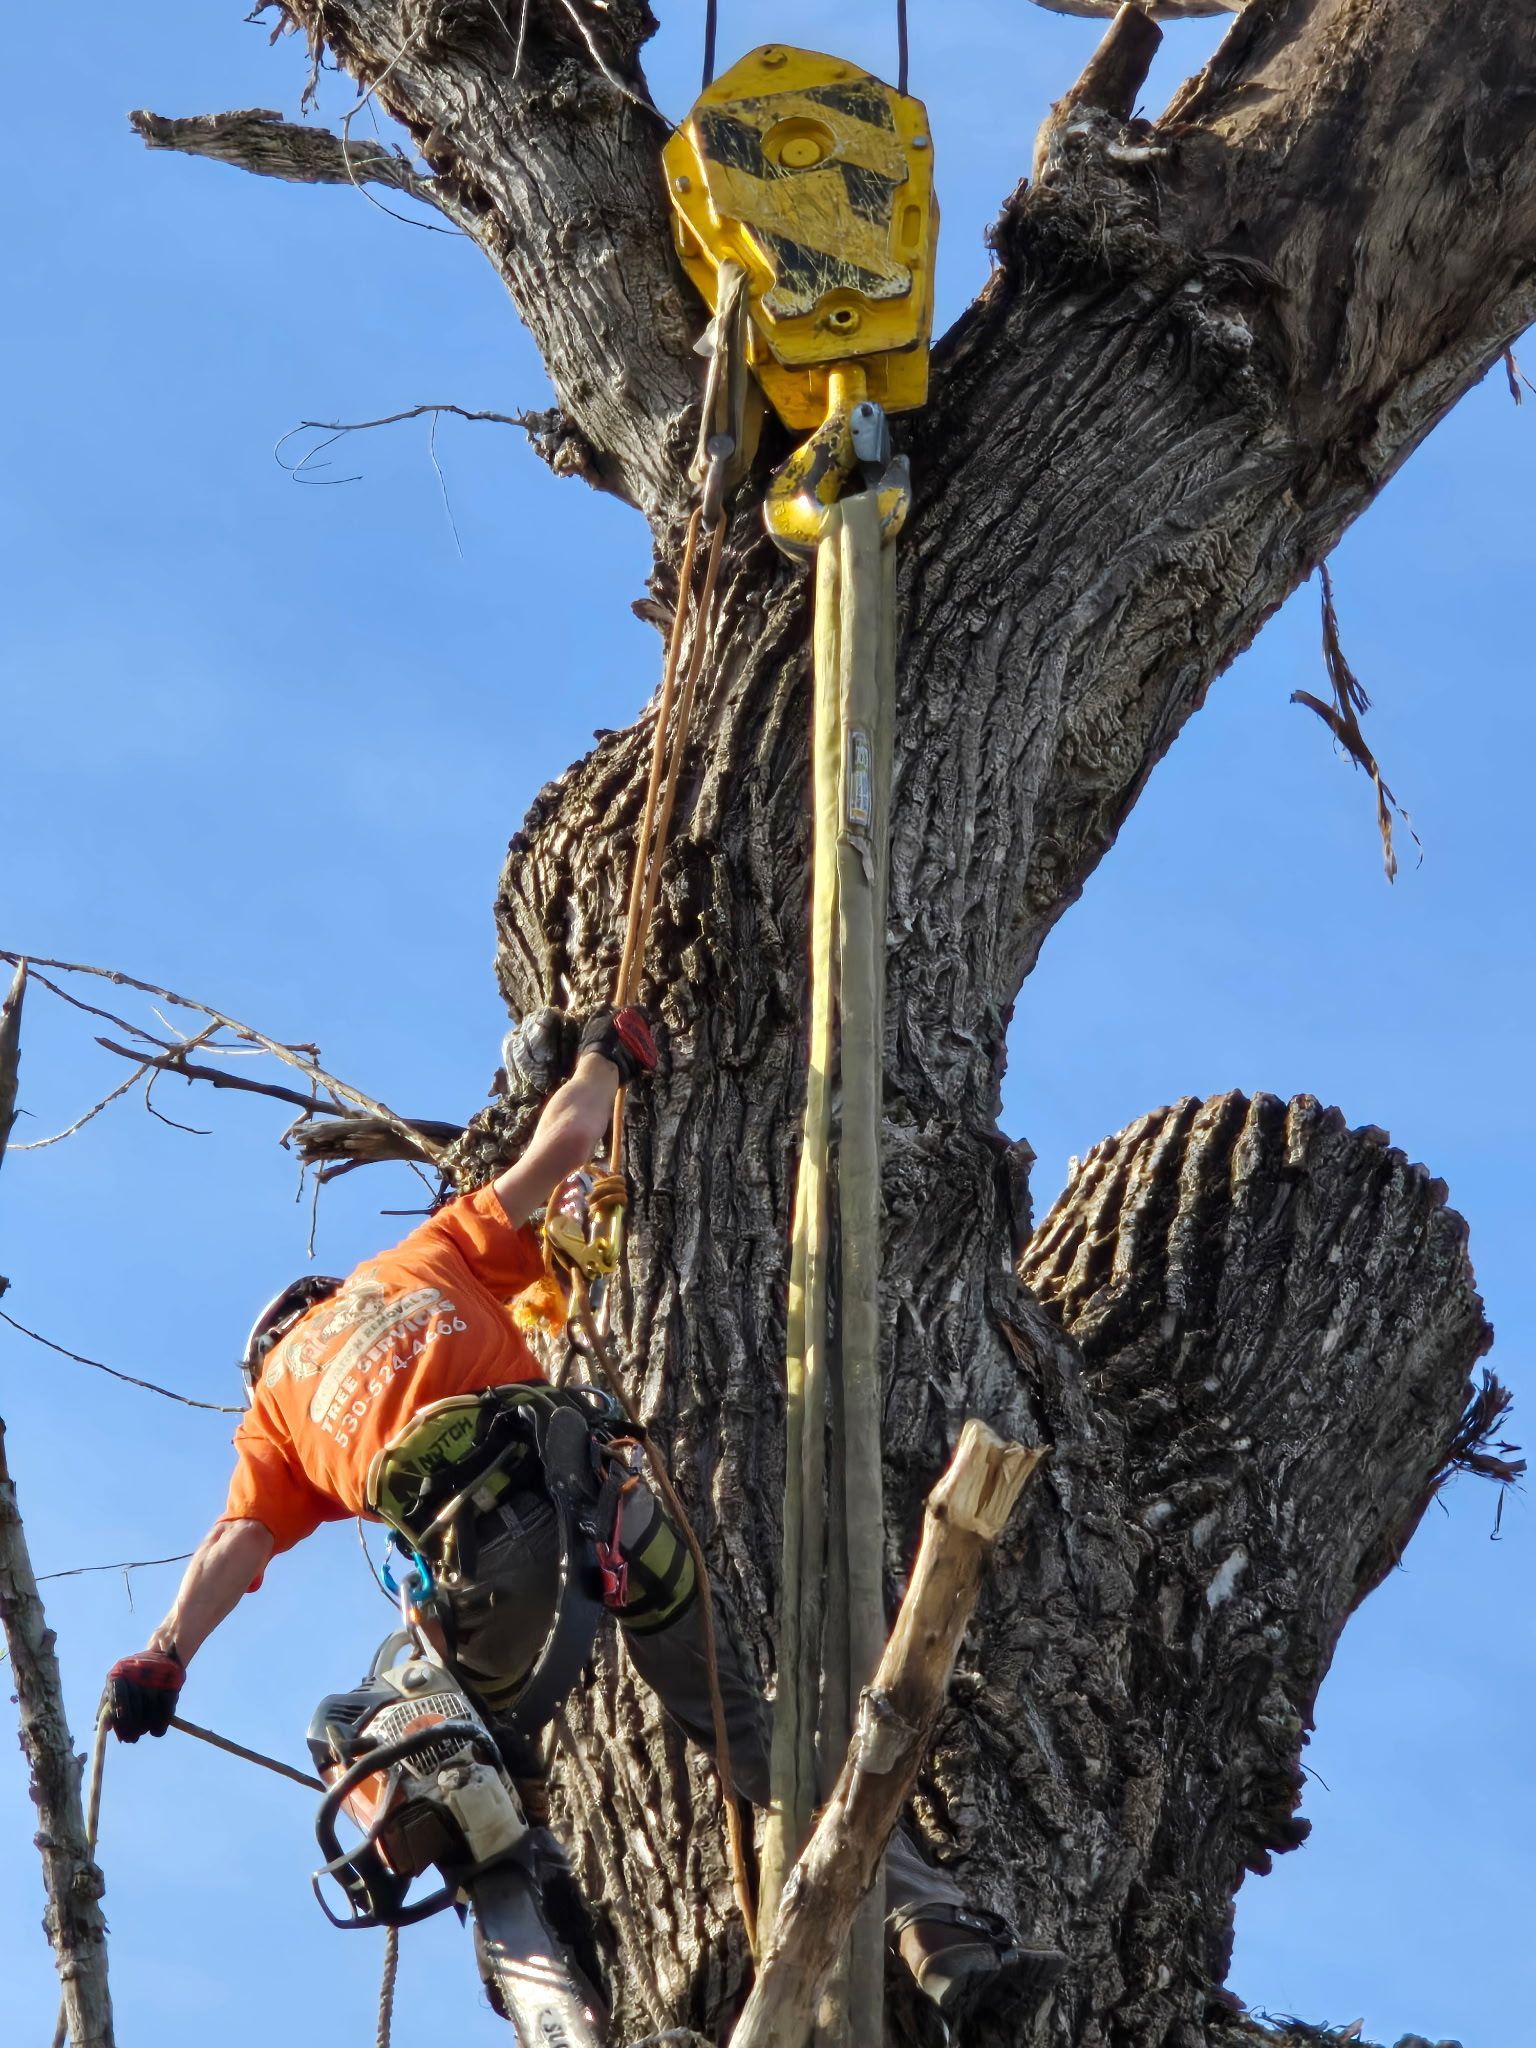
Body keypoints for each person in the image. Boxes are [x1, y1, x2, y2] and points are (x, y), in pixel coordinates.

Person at [105, 1005, 1064, 2027]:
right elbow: (563, 1140)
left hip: (496, 1558)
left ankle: (550, 1969)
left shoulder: (275, 1413)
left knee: (369, 1723)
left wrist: (164, 1654)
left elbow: (235, 1541)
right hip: (619, 1512)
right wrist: (609, 1058)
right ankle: (948, 1943)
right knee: (756, 1736)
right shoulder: (420, 1258)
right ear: (326, 1291)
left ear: (267, 1351)